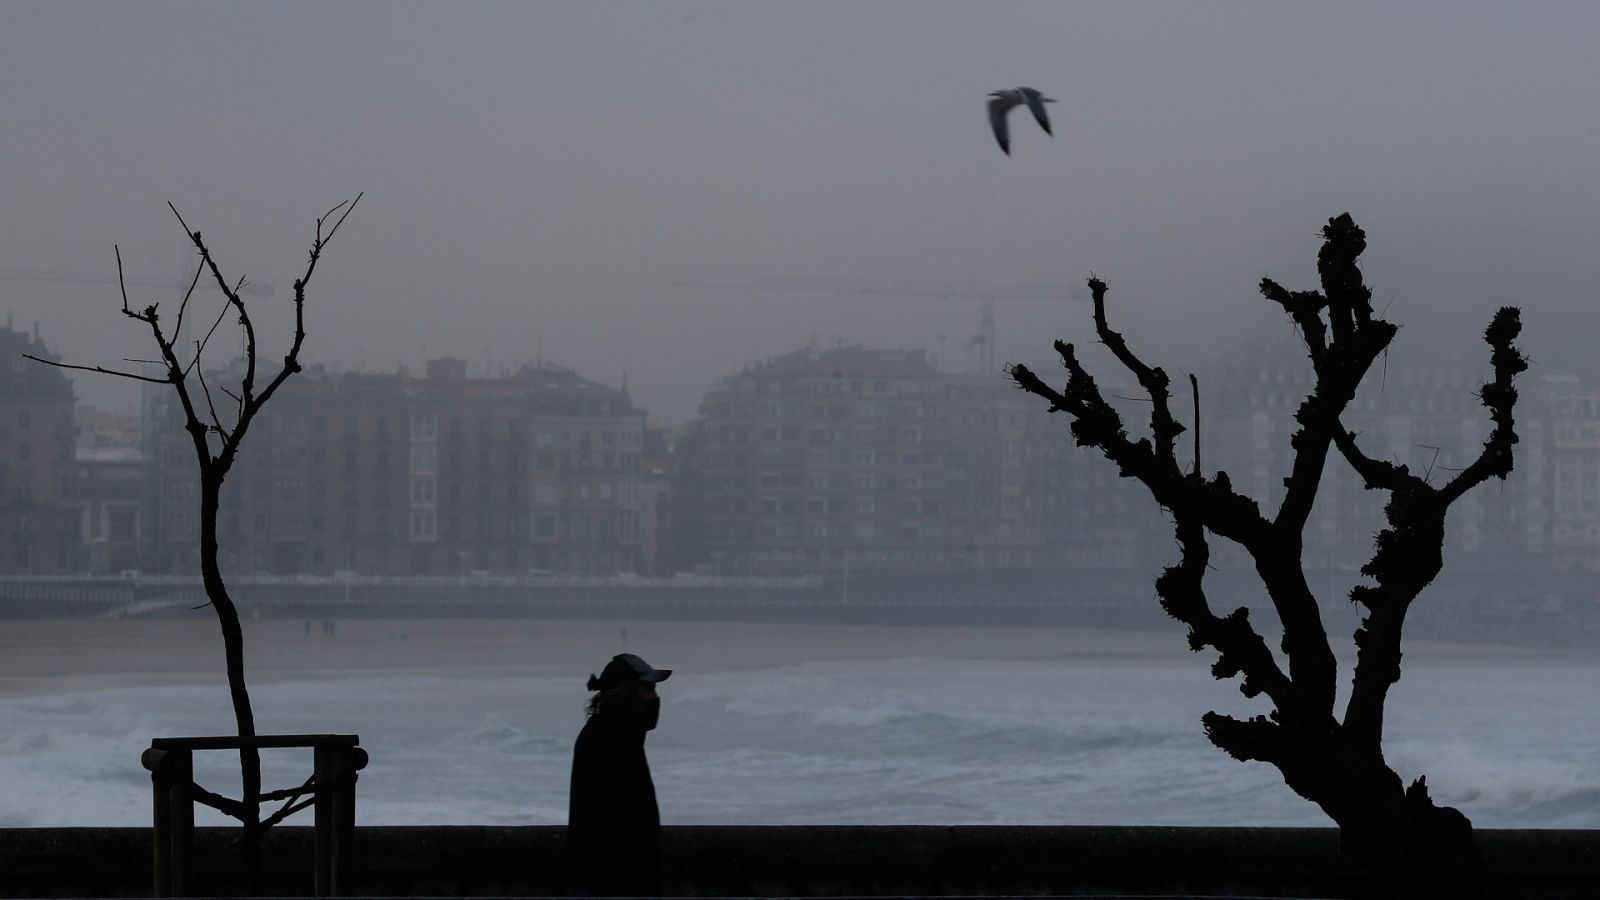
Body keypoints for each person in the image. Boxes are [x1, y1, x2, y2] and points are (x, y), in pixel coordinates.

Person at [567, 652, 671, 895]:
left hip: (612, 880)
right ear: (626, 695)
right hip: (612, 883)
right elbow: (611, 821)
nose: (655, 698)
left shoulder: (617, 734)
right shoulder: (609, 739)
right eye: (647, 690)